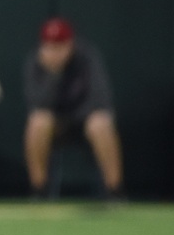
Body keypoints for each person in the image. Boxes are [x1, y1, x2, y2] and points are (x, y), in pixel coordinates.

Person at [23, 17, 123, 200]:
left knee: (100, 123)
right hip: (56, 125)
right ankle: (39, 190)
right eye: (50, 46)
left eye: (60, 45)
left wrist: (78, 116)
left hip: (85, 121)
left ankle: (114, 191)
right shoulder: (37, 61)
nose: (55, 51)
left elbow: (101, 99)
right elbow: (36, 102)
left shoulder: (87, 57)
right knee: (38, 122)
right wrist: (54, 74)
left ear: (71, 43)